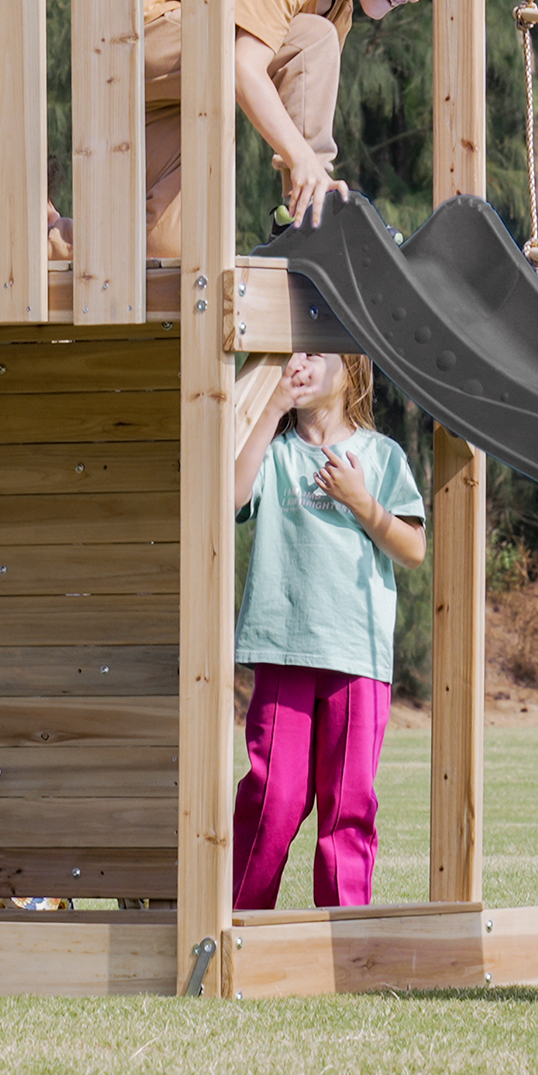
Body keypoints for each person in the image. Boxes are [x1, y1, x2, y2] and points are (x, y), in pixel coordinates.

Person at [139, 0, 461, 265]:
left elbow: (298, 106)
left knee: (165, 248)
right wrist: (304, 162)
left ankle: (47, 240)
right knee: (313, 39)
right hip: (140, 39)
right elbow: (243, 67)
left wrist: (300, 165)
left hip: (174, 93)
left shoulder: (337, 10)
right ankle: (311, 212)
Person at [229, 349, 427, 910]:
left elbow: (412, 548)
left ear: (352, 368)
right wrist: (270, 407)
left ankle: (346, 936)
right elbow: (230, 496)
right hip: (282, 649)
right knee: (272, 796)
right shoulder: (274, 452)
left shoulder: (380, 455)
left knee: (347, 805)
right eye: (292, 352)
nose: (300, 361)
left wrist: (363, 503)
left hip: (356, 656)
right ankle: (238, 924)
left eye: (315, 351)